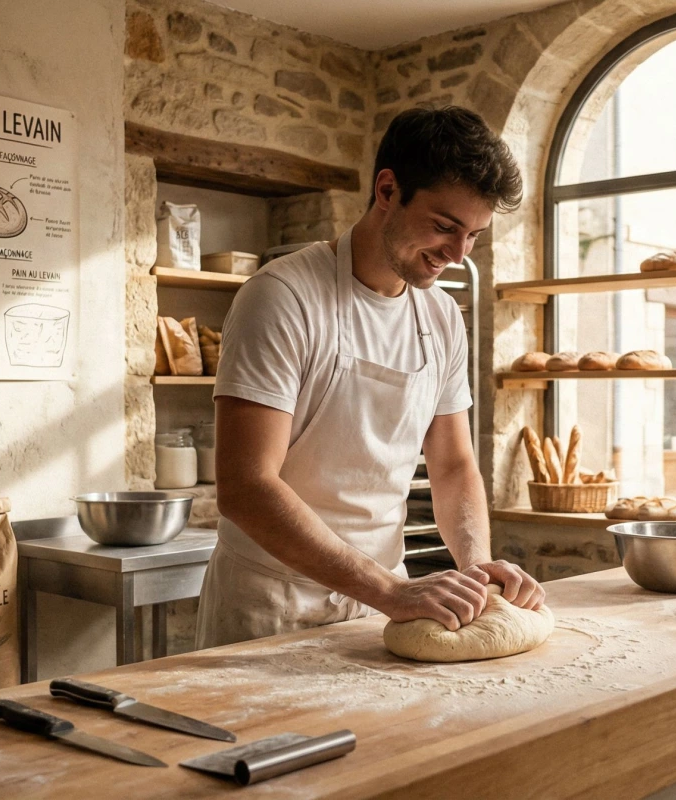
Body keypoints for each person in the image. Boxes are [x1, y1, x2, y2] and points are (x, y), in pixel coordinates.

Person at [196, 105, 544, 649]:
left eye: (474, 235)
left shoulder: (440, 316)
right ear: (387, 190)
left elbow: (453, 464)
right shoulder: (282, 298)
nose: (458, 254)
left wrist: (477, 566)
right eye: (445, 227)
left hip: (382, 604)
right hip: (273, 605)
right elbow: (246, 486)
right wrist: (388, 590)